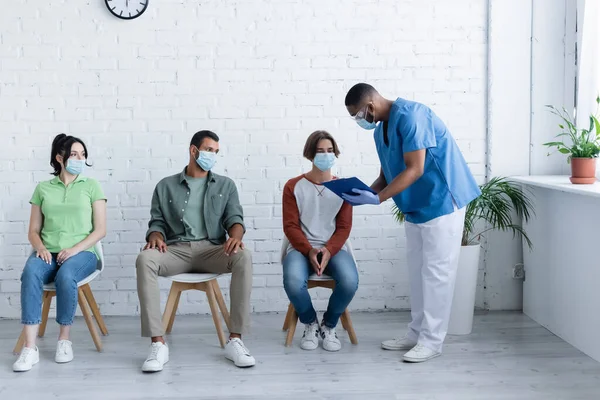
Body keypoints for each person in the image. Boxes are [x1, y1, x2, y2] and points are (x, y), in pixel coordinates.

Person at [343, 83, 481, 363]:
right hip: (416, 207)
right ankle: (416, 333)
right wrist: (364, 194)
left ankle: (432, 341)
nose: (359, 121)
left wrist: (379, 199)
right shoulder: (381, 129)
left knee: (436, 273)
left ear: (370, 105)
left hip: (442, 201)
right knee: (418, 272)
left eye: (358, 115)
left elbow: (415, 169)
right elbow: (386, 175)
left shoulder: (412, 116)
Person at [136, 130, 254, 372]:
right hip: (175, 250)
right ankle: (157, 344)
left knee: (244, 256)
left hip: (212, 250)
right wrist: (155, 235)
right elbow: (156, 221)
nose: (213, 155)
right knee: (145, 258)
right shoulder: (165, 186)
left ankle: (235, 339)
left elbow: (235, 218)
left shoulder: (225, 185)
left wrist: (236, 236)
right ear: (194, 150)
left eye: (216, 152)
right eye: (209, 150)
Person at [13, 134, 107, 372]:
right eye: (74, 154)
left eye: (82, 155)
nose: (79, 159)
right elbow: (33, 230)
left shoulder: (91, 186)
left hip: (83, 254)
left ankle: (64, 340)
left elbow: (101, 230)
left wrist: (74, 249)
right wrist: (41, 248)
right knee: (30, 272)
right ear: (59, 157)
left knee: (66, 276)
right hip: (48, 253)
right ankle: (30, 348)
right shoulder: (43, 188)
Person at [282, 130, 358, 352]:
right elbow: (290, 226)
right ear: (310, 155)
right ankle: (309, 322)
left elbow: (344, 227)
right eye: (320, 151)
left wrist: (328, 249)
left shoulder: (344, 187)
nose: (326, 155)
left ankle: (329, 324)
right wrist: (309, 250)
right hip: (300, 248)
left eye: (330, 151)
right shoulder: (293, 186)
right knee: (293, 281)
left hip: (333, 248)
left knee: (350, 281)